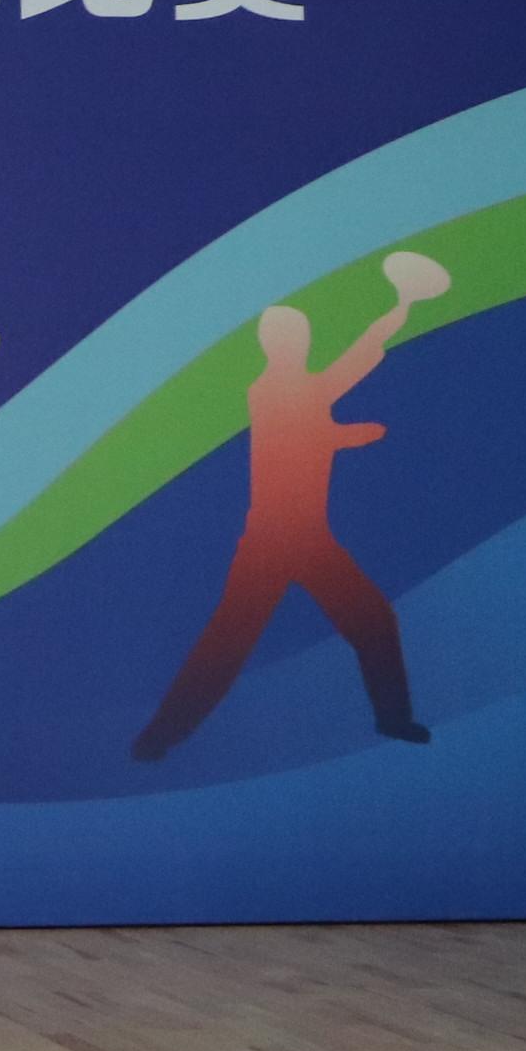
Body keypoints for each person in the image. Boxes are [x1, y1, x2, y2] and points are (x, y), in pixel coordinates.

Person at [130, 252, 447, 760]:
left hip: (311, 540)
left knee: (373, 621)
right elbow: (325, 404)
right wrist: (351, 432)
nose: (299, 344)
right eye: (291, 337)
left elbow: (325, 409)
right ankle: (159, 737)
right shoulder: (273, 390)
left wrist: (350, 431)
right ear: (275, 345)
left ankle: (393, 718)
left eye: (301, 337)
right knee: (226, 645)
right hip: (271, 543)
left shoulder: (301, 391)